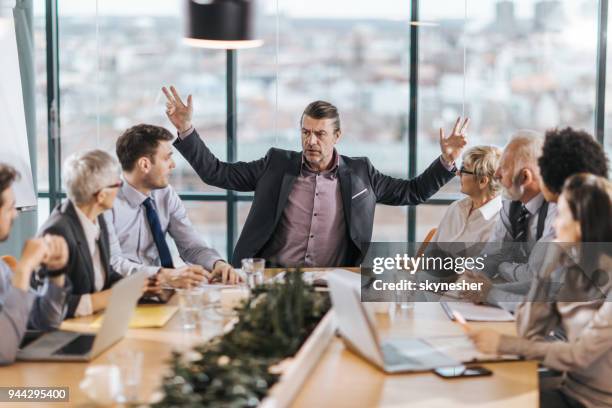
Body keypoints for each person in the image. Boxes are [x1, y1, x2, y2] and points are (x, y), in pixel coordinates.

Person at [162, 85, 468, 267]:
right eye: (305, 132)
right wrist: (186, 129)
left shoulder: (362, 173)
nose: (311, 141)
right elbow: (217, 173)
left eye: (320, 134)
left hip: (332, 282)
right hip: (272, 276)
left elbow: (412, 192)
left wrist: (447, 159)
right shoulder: (275, 165)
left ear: (337, 135)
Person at [466, 173, 612, 408]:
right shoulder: (578, 268)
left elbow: (579, 354)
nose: (554, 224)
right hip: (568, 390)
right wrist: (546, 269)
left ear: (582, 223)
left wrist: (502, 344)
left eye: (562, 215)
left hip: (592, 402)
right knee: (483, 392)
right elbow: (529, 328)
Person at [105, 124, 241, 286]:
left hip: (162, 290)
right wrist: (164, 275)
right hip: (123, 292)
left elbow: (191, 246)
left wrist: (217, 263)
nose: (173, 165)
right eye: (167, 158)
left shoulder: (165, 194)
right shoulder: (106, 202)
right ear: (145, 164)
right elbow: (112, 264)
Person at [39, 150, 156, 318]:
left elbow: (103, 273)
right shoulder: (56, 232)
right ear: (101, 196)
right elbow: (51, 305)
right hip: (69, 331)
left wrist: (136, 286)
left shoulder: (96, 218)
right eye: (118, 185)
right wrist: (104, 299)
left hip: (96, 320)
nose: (120, 189)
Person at [0, 164, 69, 364]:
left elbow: (45, 320)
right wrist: (24, 269)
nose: (15, 214)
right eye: (11, 207)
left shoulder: (2, 270)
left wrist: (56, 274)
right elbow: (3, 353)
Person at [429, 145, 502, 256]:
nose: (458, 173)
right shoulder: (456, 207)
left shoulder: (500, 223)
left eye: (463, 169)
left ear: (482, 181)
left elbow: (481, 270)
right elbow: (430, 255)